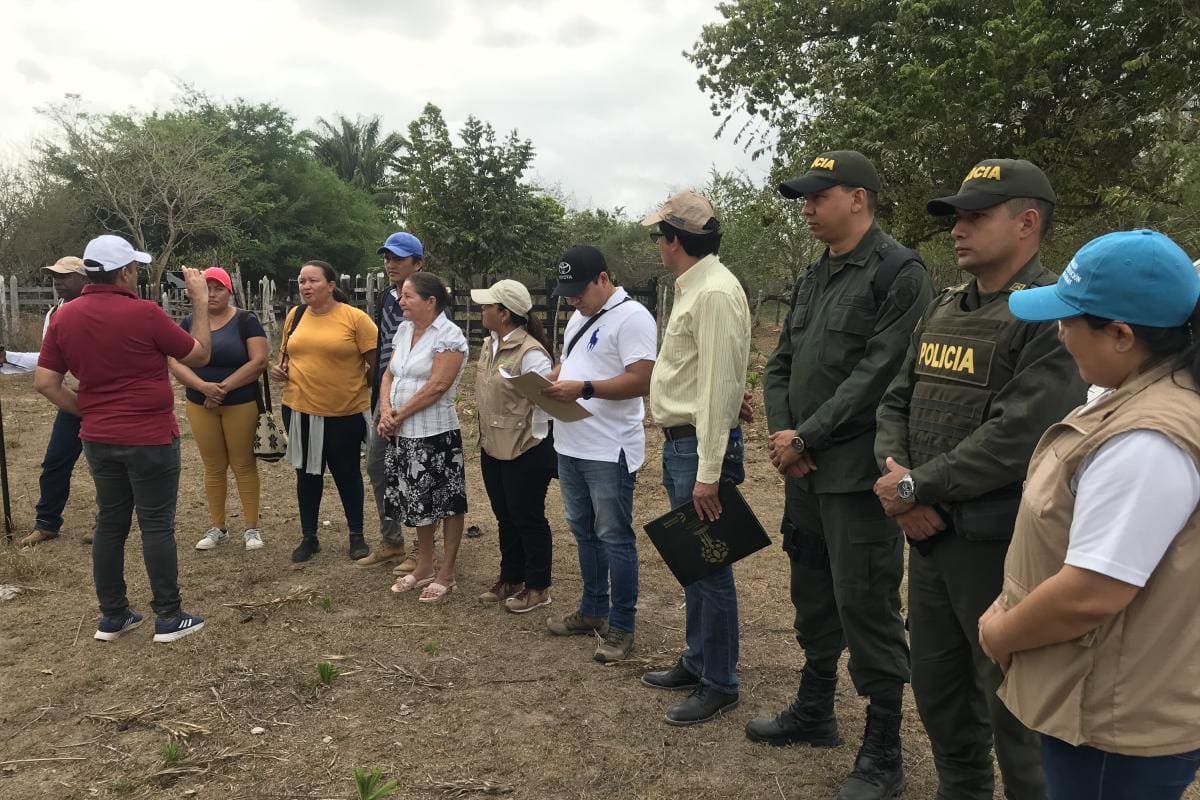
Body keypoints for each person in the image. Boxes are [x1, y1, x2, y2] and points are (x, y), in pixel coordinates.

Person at [873, 159, 1084, 800]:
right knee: (938, 691)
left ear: (1026, 222)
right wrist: (903, 488)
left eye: (975, 216)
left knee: (1014, 705)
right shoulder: (942, 308)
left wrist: (918, 487)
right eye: (956, 217)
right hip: (930, 539)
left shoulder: (1053, 316)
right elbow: (896, 402)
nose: (957, 229)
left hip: (1003, 544)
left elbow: (1016, 436)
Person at [979, 230, 1200, 799]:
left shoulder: (1147, 441)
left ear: (1121, 335)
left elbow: (1092, 593)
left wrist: (1003, 632)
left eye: (1069, 319)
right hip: (1103, 694)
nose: (1060, 333)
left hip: (1115, 722)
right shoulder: (1133, 398)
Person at [751, 150, 934, 800]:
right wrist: (786, 438)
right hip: (804, 474)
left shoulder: (899, 273)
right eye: (803, 198)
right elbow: (780, 363)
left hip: (856, 478)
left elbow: (878, 374)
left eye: (817, 196)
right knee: (812, 592)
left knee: (867, 602)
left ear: (857, 198)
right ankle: (815, 708)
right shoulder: (814, 274)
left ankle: (883, 749)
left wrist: (809, 435)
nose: (806, 208)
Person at [34, 234, 210, 643]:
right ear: (126, 272)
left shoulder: (64, 317)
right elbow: (199, 355)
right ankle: (168, 616)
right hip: (149, 436)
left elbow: (45, 382)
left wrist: (88, 411)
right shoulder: (145, 314)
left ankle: (113, 616)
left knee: (110, 524)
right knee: (156, 524)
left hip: (99, 438)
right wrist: (199, 301)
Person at [637, 191, 752, 726]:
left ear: (675, 240)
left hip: (698, 448)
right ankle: (698, 659)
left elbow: (717, 387)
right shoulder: (698, 288)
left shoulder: (714, 293)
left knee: (710, 564)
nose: (658, 246)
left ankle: (720, 681)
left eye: (660, 237)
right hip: (684, 442)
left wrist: (708, 472)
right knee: (694, 560)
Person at [541, 245, 657, 663]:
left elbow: (642, 380)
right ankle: (593, 608)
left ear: (603, 279)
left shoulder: (633, 318)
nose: (574, 299)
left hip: (609, 448)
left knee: (614, 536)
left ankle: (622, 625)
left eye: (580, 290)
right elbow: (572, 364)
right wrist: (545, 381)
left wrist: (585, 389)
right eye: (567, 292)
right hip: (570, 441)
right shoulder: (579, 316)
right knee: (582, 529)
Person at [270, 260, 378, 563]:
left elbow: (375, 364)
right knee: (306, 475)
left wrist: (355, 388)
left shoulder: (355, 319)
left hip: (344, 413)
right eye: (302, 281)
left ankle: (357, 535)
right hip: (299, 408)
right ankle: (309, 536)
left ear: (330, 286)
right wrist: (280, 370)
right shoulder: (295, 316)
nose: (306, 286)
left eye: (313, 280)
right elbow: (286, 357)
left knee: (347, 473)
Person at [379, 272, 469, 604]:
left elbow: (437, 386)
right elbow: (389, 374)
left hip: (435, 435)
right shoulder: (404, 330)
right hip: (403, 433)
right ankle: (424, 566)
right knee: (419, 502)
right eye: (401, 296)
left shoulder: (449, 336)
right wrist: (386, 411)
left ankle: (446, 572)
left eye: (408, 296)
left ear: (430, 301)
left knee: (446, 501)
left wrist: (398, 415)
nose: (401, 301)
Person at [471, 279, 557, 612]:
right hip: (492, 445)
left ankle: (538, 585)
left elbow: (545, 403)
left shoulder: (531, 353)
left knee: (528, 517)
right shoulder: (489, 345)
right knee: (504, 515)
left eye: (488, 306)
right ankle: (511, 577)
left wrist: (534, 438)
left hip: (525, 448)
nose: (482, 310)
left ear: (504, 313)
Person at [168, 267, 269, 551]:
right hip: (200, 403)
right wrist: (203, 388)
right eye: (207, 288)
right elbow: (174, 361)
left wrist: (221, 389)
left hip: (240, 402)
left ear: (229, 291)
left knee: (243, 464)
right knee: (213, 466)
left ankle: (251, 528)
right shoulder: (189, 322)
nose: (212, 294)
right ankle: (218, 526)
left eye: (218, 288)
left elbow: (259, 361)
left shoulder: (246, 320)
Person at [355, 232, 424, 573]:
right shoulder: (386, 297)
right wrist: (380, 399)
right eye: (387, 258)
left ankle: (424, 549)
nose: (390, 264)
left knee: (420, 472)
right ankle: (392, 540)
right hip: (384, 396)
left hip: (417, 399)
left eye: (398, 258)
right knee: (377, 465)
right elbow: (384, 349)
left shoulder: (428, 297)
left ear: (418, 263)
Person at [12, 256, 90, 546]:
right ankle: (47, 523)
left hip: (102, 400)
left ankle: (106, 524)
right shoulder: (54, 313)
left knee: (106, 467)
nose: (58, 281)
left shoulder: (96, 310)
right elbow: (49, 360)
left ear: (85, 279)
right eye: (55, 276)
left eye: (65, 276)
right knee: (56, 462)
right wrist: (9, 358)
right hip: (71, 400)